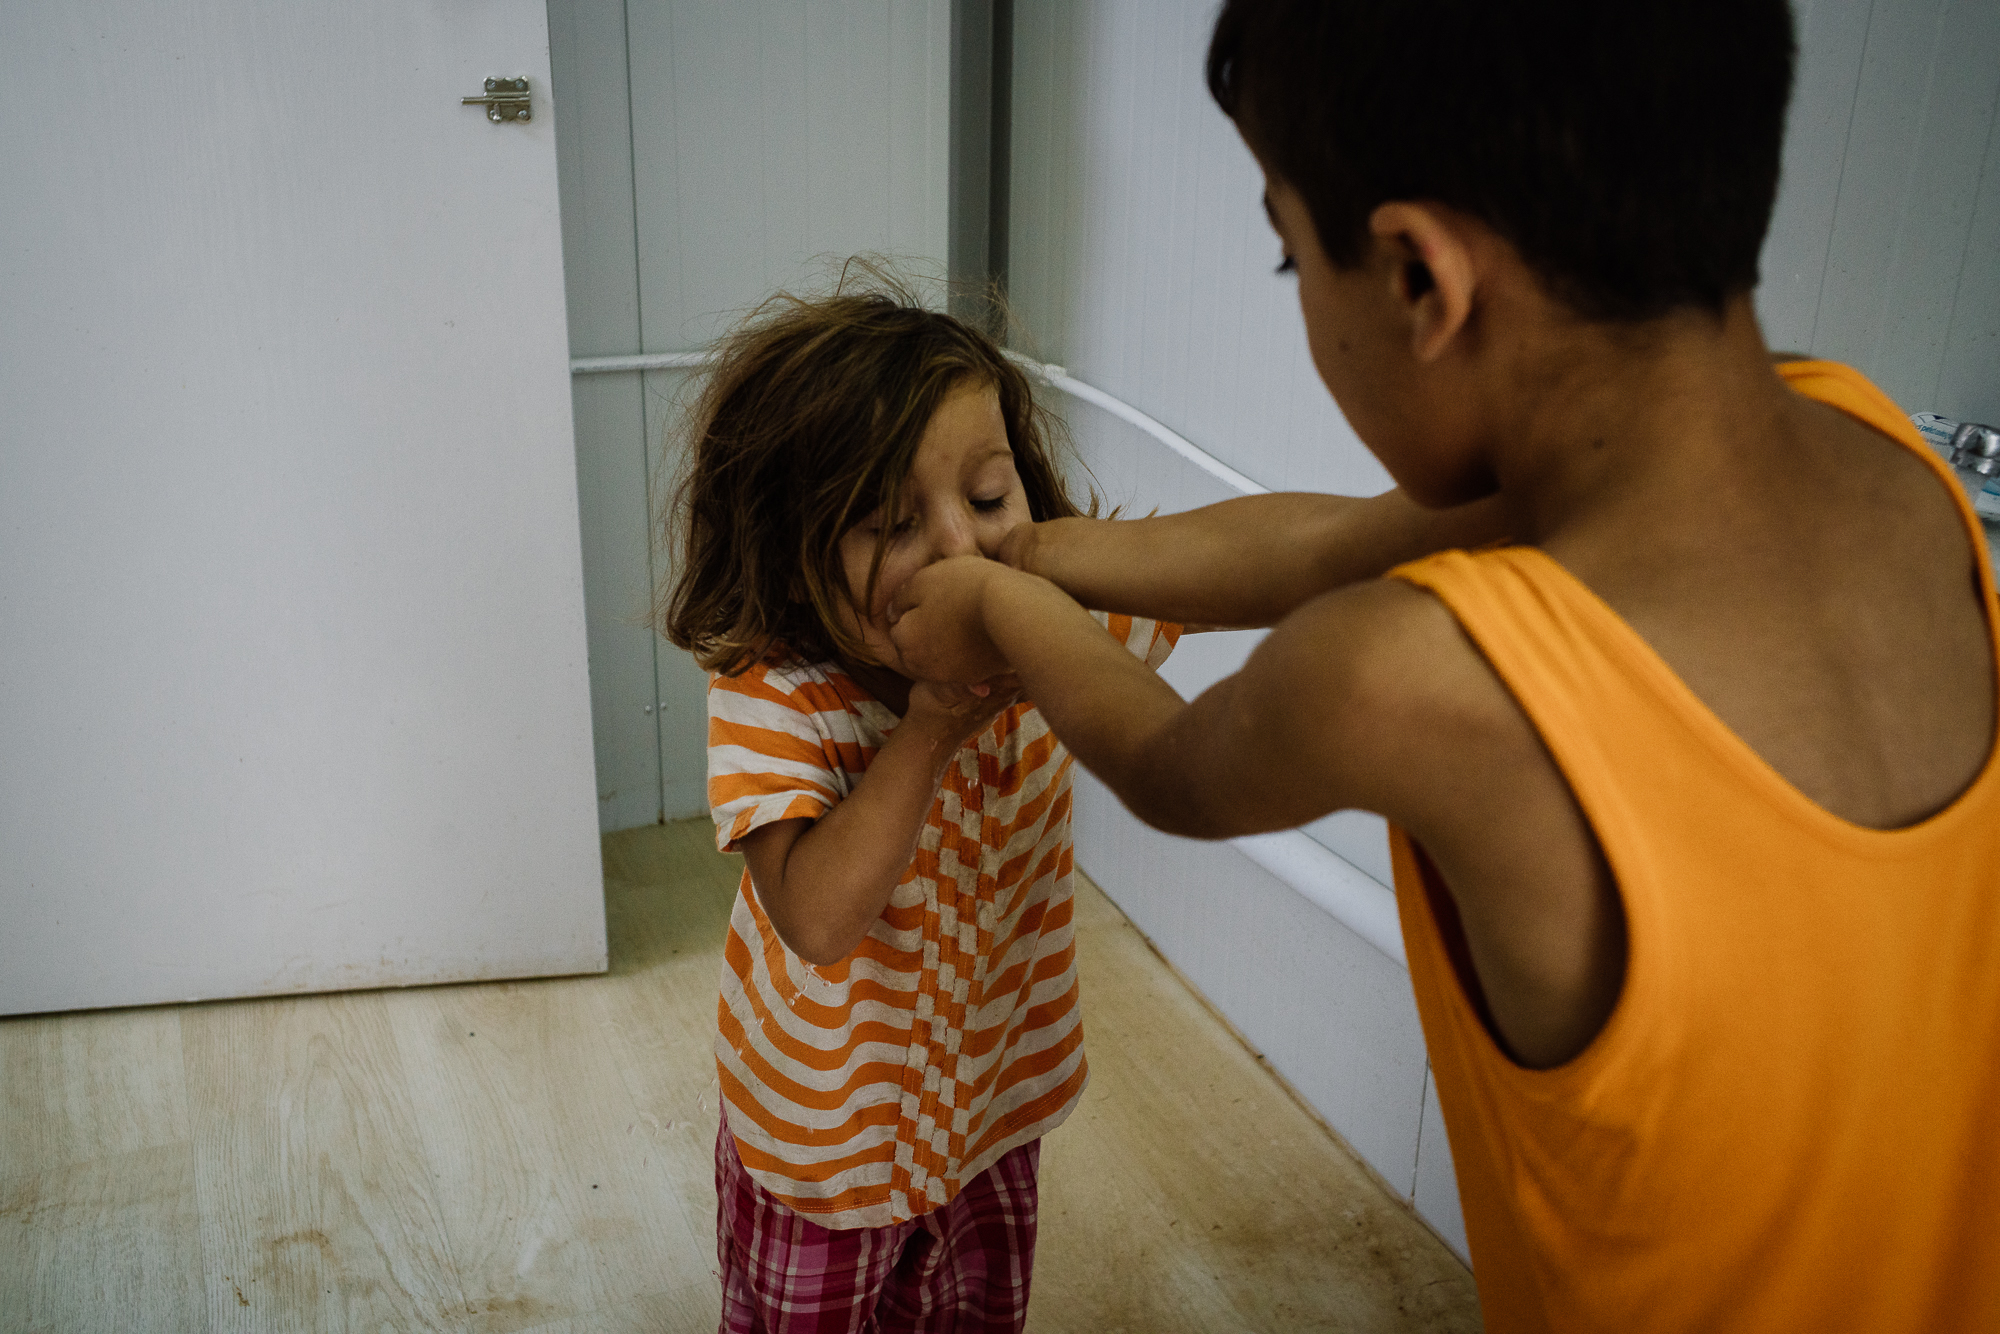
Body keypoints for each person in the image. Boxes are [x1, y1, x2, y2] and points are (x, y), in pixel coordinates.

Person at [884, 1, 2000, 1329]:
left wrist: (994, 611)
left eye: (1294, 263)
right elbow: (1318, 539)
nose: (1300, 292)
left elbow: (1167, 762)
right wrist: (1039, 552)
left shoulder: (1421, 672)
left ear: (1421, 278)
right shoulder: (1889, 451)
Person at [659, 273, 1178, 1332]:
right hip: (822, 1148)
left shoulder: (1048, 640)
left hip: (990, 1107)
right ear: (793, 559)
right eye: (895, 520)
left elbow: (1207, 576)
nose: (960, 548)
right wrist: (932, 724)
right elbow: (814, 914)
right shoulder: (775, 694)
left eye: (989, 498)